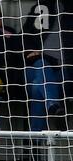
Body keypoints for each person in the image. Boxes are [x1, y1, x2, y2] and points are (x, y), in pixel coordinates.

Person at [20, 0, 64, 131]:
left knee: (37, 87)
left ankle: (35, 142)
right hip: (34, 68)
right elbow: (24, 43)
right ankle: (54, 107)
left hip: (62, 73)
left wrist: (44, 54)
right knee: (41, 65)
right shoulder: (41, 8)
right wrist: (43, 55)